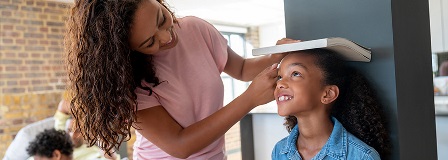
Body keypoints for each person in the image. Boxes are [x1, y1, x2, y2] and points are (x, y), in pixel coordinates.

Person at [65, 0, 293, 159]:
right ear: (128, 51)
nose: (167, 36)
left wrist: (276, 56)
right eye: (149, 42)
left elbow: (242, 69)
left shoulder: (195, 29)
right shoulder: (129, 82)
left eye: (161, 18)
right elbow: (180, 145)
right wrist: (249, 99)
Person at [271, 49, 390, 159]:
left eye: (295, 74)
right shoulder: (279, 151)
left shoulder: (362, 156)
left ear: (328, 94)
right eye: (280, 77)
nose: (280, 83)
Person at [54, 99, 120, 160]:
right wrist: (86, 115)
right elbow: (63, 104)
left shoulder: (94, 144)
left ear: (85, 132)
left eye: (78, 131)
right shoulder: (60, 138)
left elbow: (113, 159)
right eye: (69, 130)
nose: (72, 135)